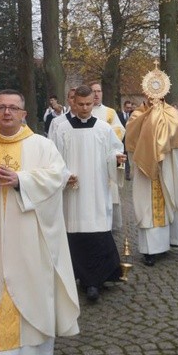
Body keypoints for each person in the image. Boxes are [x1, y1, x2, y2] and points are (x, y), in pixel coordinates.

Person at [0, 89, 80, 355]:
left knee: (31, 291)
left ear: (24, 114)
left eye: (13, 108)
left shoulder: (42, 146)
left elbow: (56, 177)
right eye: (0, 107)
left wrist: (21, 180)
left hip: (29, 243)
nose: (6, 113)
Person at [52, 85, 125, 302]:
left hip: (96, 190)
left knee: (97, 232)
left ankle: (95, 281)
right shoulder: (61, 128)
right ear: (73, 103)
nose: (85, 108)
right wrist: (64, 175)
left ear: (94, 102)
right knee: (74, 234)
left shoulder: (103, 128)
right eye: (80, 104)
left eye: (89, 104)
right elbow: (53, 157)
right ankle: (74, 277)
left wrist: (117, 159)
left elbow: (113, 151)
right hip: (72, 192)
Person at [125, 66, 178, 267]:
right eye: (149, 90)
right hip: (145, 168)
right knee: (146, 204)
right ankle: (150, 249)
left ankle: (169, 241)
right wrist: (150, 117)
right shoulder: (137, 114)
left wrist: (160, 118)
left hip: (166, 164)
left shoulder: (171, 112)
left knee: (169, 196)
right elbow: (132, 134)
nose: (153, 94)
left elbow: (177, 130)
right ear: (144, 91)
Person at [88, 81, 125, 229]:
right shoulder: (84, 110)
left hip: (105, 158)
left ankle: (108, 221)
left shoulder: (110, 112)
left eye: (99, 91)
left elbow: (119, 130)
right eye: (93, 91)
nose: (96, 94)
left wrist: (105, 140)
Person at [117, 100, 134, 180]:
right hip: (121, 139)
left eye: (130, 108)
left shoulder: (133, 115)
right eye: (127, 107)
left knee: (128, 158)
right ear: (124, 107)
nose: (129, 109)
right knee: (121, 156)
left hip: (130, 140)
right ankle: (119, 173)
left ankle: (127, 174)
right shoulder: (118, 115)